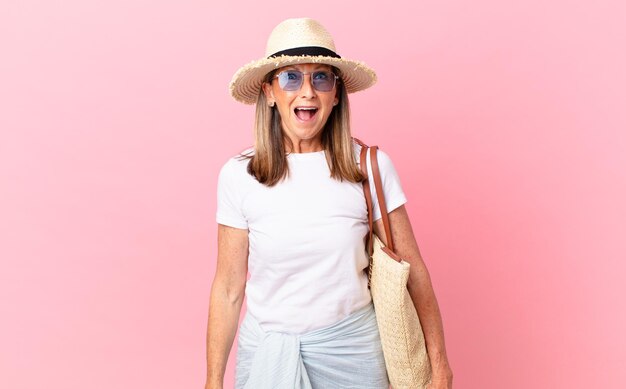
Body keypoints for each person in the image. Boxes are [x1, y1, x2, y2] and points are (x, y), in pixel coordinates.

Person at [205, 18, 453, 389]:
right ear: (269, 92)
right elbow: (228, 287)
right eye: (291, 77)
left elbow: (414, 271)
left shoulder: (367, 168)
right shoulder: (239, 176)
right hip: (267, 354)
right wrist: (212, 382)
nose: (307, 91)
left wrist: (439, 367)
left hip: (353, 354)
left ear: (336, 94)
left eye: (321, 77)